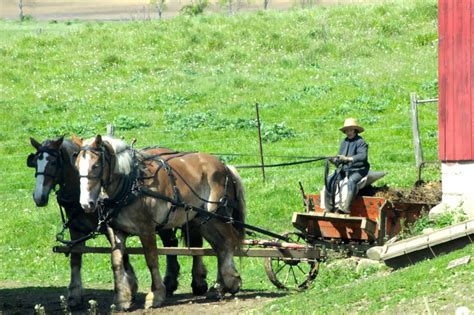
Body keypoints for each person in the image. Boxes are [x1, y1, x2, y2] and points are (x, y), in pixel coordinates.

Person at [325, 118, 370, 214]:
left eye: (351, 130)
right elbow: (340, 159)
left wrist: (347, 159)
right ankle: (329, 207)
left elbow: (363, 156)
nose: (348, 132)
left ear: (355, 130)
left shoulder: (360, 142)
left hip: (359, 169)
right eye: (347, 130)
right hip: (344, 169)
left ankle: (346, 208)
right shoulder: (344, 142)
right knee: (329, 180)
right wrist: (334, 160)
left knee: (352, 181)